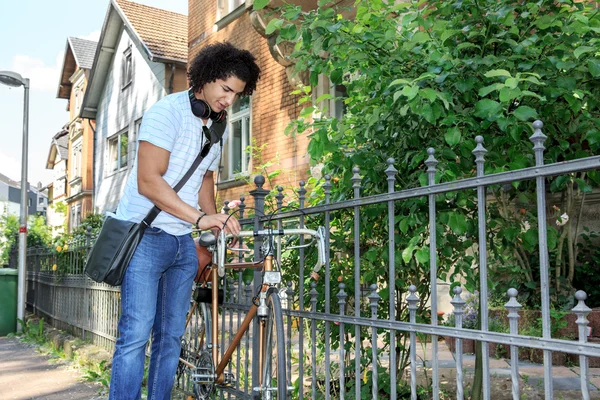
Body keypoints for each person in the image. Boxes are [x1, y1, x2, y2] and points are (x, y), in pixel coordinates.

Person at [109, 42, 261, 400]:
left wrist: (217, 220)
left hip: (180, 244)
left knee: (171, 336)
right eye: (226, 90)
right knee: (135, 335)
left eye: (237, 94)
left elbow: (205, 179)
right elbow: (149, 181)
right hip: (144, 236)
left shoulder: (216, 127)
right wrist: (200, 217)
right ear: (206, 78)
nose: (229, 101)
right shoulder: (168, 113)